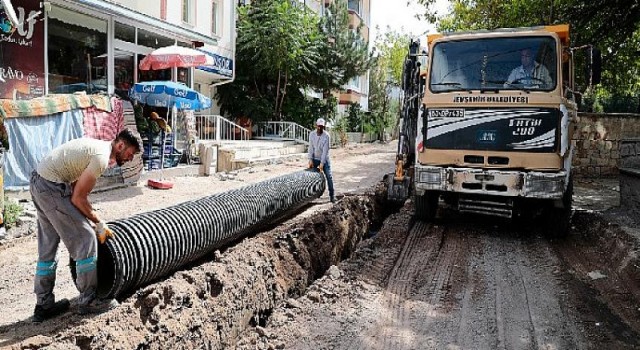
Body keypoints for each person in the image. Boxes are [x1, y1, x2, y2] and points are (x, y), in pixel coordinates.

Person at [30, 129, 141, 322]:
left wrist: (90, 216)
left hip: (40, 183)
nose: (130, 158)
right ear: (120, 145)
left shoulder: (97, 148)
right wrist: (98, 222)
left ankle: (44, 305)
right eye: (130, 153)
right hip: (51, 188)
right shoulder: (101, 158)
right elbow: (78, 198)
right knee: (86, 238)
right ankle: (88, 301)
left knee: (48, 247)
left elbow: (75, 191)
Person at [307, 118, 335, 203]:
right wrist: (310, 159)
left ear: (324, 127)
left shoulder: (326, 136)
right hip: (315, 158)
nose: (320, 128)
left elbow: (325, 151)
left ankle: (332, 196)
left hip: (324, 159)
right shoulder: (312, 134)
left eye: (322, 127)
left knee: (329, 176)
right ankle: (312, 195)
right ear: (316, 126)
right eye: (319, 126)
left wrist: (322, 164)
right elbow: (311, 148)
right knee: (310, 176)